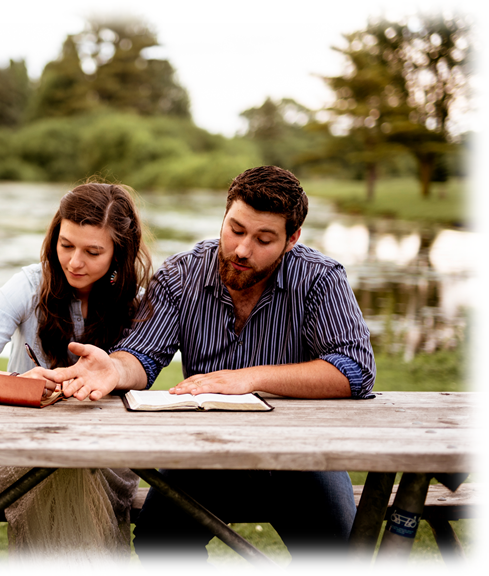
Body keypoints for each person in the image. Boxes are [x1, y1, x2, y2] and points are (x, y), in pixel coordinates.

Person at [41, 166, 376, 565]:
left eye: (264, 239)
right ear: (224, 217)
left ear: (292, 240)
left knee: (340, 553)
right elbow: (144, 356)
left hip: (303, 459)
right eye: (235, 229)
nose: (242, 249)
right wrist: (114, 369)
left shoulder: (321, 278)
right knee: (157, 540)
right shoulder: (181, 274)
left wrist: (249, 379)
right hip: (207, 458)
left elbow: (355, 370)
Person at [0, 181, 152, 563]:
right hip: (23, 450)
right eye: (66, 244)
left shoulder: (135, 302)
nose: (74, 262)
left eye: (93, 252)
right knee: (60, 471)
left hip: (108, 454)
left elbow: (144, 374)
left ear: (119, 255)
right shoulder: (28, 284)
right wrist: (15, 386)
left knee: (73, 471)